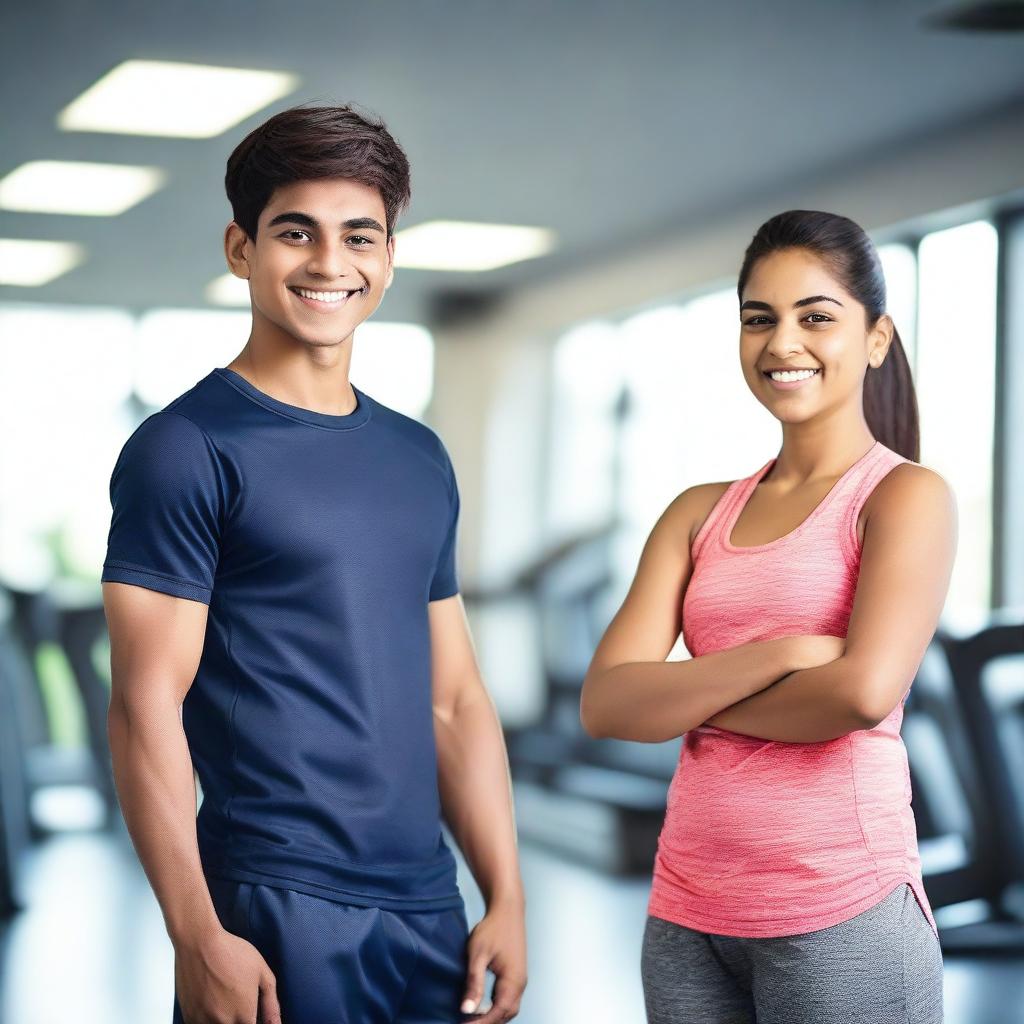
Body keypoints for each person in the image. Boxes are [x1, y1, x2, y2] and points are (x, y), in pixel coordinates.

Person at [101, 103, 527, 1024]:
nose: (331, 264)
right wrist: (195, 933)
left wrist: (506, 893)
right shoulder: (185, 448)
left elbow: (454, 697)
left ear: (388, 256)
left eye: (359, 236)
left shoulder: (419, 456)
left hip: (428, 906)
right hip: (275, 900)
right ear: (240, 247)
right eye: (296, 232)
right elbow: (144, 706)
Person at [580, 209, 953, 1023]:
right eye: (760, 319)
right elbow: (606, 704)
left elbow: (857, 695)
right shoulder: (696, 513)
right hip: (688, 908)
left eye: (816, 316)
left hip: (840, 904)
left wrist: (685, 702)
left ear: (876, 338)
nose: (783, 343)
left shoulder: (903, 498)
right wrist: (781, 652)